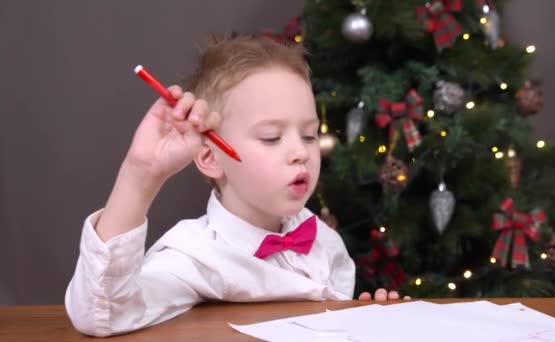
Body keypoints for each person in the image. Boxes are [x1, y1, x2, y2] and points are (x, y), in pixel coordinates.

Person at [65, 35, 402, 337]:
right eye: (271, 137)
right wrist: (140, 175)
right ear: (210, 157)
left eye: (309, 135)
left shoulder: (325, 242)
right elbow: (103, 315)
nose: (301, 153)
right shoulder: (196, 255)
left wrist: (367, 317)